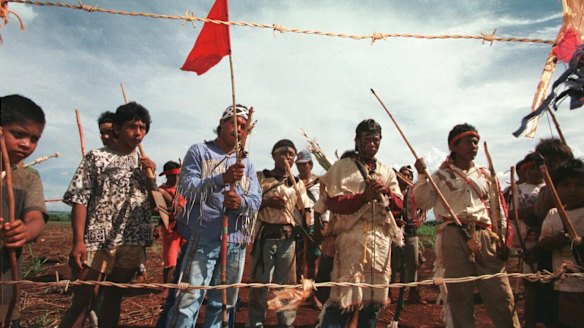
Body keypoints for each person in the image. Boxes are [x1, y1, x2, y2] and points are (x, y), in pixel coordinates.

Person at [161, 104, 261, 328]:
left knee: (224, 303)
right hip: (203, 238)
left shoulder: (247, 164)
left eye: (244, 127)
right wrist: (221, 179)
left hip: (235, 241)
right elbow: (186, 187)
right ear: (222, 123)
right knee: (188, 299)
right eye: (233, 123)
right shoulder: (200, 151)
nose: (238, 130)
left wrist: (240, 202)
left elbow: (256, 200)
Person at [59, 102, 156, 328]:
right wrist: (78, 242)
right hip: (98, 240)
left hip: (132, 241)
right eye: (133, 126)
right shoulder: (96, 158)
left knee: (113, 298)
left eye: (143, 127)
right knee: (84, 298)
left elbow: (153, 203)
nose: (138, 132)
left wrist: (151, 176)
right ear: (118, 128)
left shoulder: (143, 165)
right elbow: (79, 198)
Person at [413, 123, 519, 328]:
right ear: (454, 145)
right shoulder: (439, 176)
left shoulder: (486, 175)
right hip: (453, 236)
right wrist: (422, 176)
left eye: (476, 142)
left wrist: (505, 238)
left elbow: (498, 209)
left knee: (501, 295)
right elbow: (423, 202)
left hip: (485, 236)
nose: (474, 146)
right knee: (459, 297)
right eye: (469, 142)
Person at [317, 119, 403, 328]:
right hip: (350, 242)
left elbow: (399, 206)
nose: (372, 144)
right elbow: (332, 202)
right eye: (367, 139)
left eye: (376, 139)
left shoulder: (387, 171)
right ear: (357, 141)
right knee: (342, 300)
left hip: (380, 244)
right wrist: (363, 198)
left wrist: (386, 192)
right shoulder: (342, 167)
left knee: (372, 303)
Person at [248, 139, 309, 328]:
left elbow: (305, 206)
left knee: (287, 288)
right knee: (260, 285)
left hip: (288, 240)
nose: (287, 157)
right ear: (273, 155)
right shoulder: (261, 178)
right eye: (283, 153)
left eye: (291, 154)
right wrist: (267, 203)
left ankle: (286, 324)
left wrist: (307, 220)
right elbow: (248, 203)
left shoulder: (297, 183)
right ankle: (256, 323)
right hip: (265, 237)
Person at [0, 95, 48, 327]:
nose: (26, 144)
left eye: (34, 138)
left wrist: (25, 232)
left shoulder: (27, 177)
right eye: (18, 134)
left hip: (6, 292)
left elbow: (35, 218)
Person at [527, 137, 574, 327]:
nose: (548, 167)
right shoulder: (545, 190)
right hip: (547, 255)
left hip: (575, 255)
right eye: (544, 163)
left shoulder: (574, 185)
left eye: (553, 162)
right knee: (548, 306)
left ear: (566, 161)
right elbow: (540, 214)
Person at [538, 158, 584, 328]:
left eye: (579, 184)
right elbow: (542, 244)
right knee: (569, 320)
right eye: (566, 184)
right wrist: (556, 240)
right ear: (555, 189)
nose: (573, 189)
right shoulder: (553, 215)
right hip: (566, 284)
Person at [508, 153, 545, 328]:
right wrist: (532, 211)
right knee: (531, 286)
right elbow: (510, 213)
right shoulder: (518, 190)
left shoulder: (551, 187)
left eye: (540, 167)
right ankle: (530, 322)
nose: (536, 172)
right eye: (531, 168)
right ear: (524, 170)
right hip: (528, 241)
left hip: (549, 240)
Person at [294, 149, 329, 308]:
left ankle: (310, 294)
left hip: (314, 225)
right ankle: (299, 293)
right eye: (298, 165)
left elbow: (323, 203)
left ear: (310, 164)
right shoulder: (292, 181)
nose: (301, 168)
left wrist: (325, 223)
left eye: (304, 165)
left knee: (313, 261)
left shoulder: (319, 182)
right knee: (297, 261)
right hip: (297, 225)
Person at [390, 165, 426, 304]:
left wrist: (420, 220)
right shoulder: (393, 191)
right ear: (398, 176)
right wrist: (394, 220)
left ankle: (413, 292)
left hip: (411, 231)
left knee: (413, 263)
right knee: (392, 263)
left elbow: (423, 208)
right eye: (404, 175)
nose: (407, 178)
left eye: (410, 176)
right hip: (395, 231)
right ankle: (388, 292)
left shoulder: (415, 192)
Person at [155, 161, 186, 285]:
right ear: (167, 175)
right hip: (171, 228)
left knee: (190, 258)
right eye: (173, 175)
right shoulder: (160, 191)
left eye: (178, 175)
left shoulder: (184, 188)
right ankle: (167, 288)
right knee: (170, 261)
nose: (176, 178)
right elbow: (155, 210)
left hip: (186, 227)